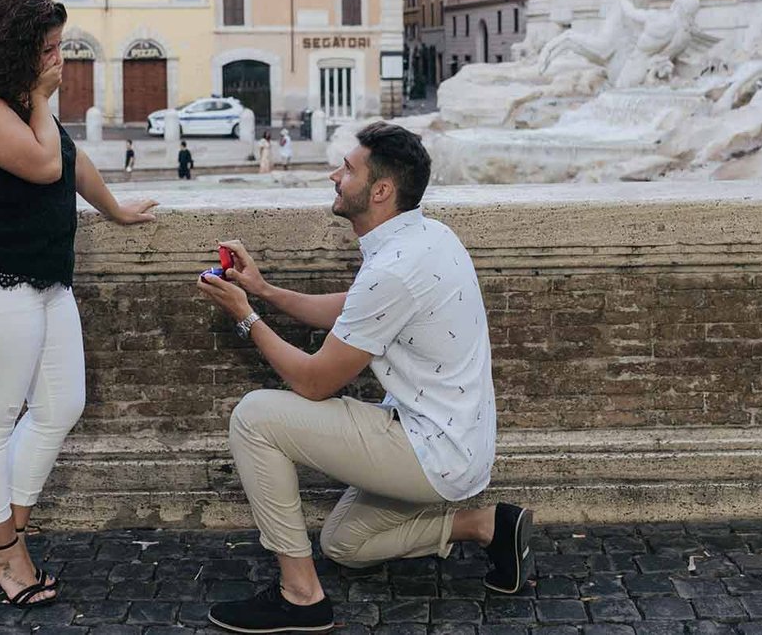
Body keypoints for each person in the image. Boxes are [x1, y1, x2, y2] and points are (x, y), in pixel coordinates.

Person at [196, 122, 533, 634]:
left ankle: (300, 596)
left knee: (254, 417)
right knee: (344, 544)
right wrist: (263, 290)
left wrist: (246, 317)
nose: (335, 175)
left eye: (347, 169)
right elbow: (353, 310)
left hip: (432, 450)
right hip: (455, 441)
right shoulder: (428, 235)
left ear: (380, 191)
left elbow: (313, 383)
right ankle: (486, 526)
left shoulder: (393, 269)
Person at [0, 0, 158, 610]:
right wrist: (40, 96)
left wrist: (116, 210)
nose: (57, 59)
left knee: (61, 405)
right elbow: (42, 166)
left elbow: (72, 163)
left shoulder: (29, 104)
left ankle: (9, 532)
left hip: (45, 280)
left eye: (59, 47)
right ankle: (3, 554)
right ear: (13, 51)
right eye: (47, 49)